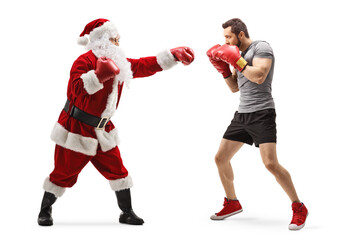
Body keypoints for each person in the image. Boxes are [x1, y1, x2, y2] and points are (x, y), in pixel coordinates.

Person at [37, 18, 194, 226]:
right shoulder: (83, 62)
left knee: (118, 171)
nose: (118, 43)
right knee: (63, 173)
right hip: (77, 128)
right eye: (114, 39)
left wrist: (172, 56)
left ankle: (126, 212)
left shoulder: (119, 63)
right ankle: (44, 211)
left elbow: (143, 65)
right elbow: (75, 90)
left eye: (118, 39)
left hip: (102, 129)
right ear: (101, 40)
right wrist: (97, 76)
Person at [206, 18, 308, 230]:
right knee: (220, 158)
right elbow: (235, 88)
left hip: (262, 113)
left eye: (228, 36)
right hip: (242, 114)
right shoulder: (238, 55)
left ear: (240, 34)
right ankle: (232, 202)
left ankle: (299, 207)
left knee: (270, 163)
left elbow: (260, 76)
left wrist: (238, 62)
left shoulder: (261, 47)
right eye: (224, 37)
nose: (225, 41)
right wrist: (224, 69)